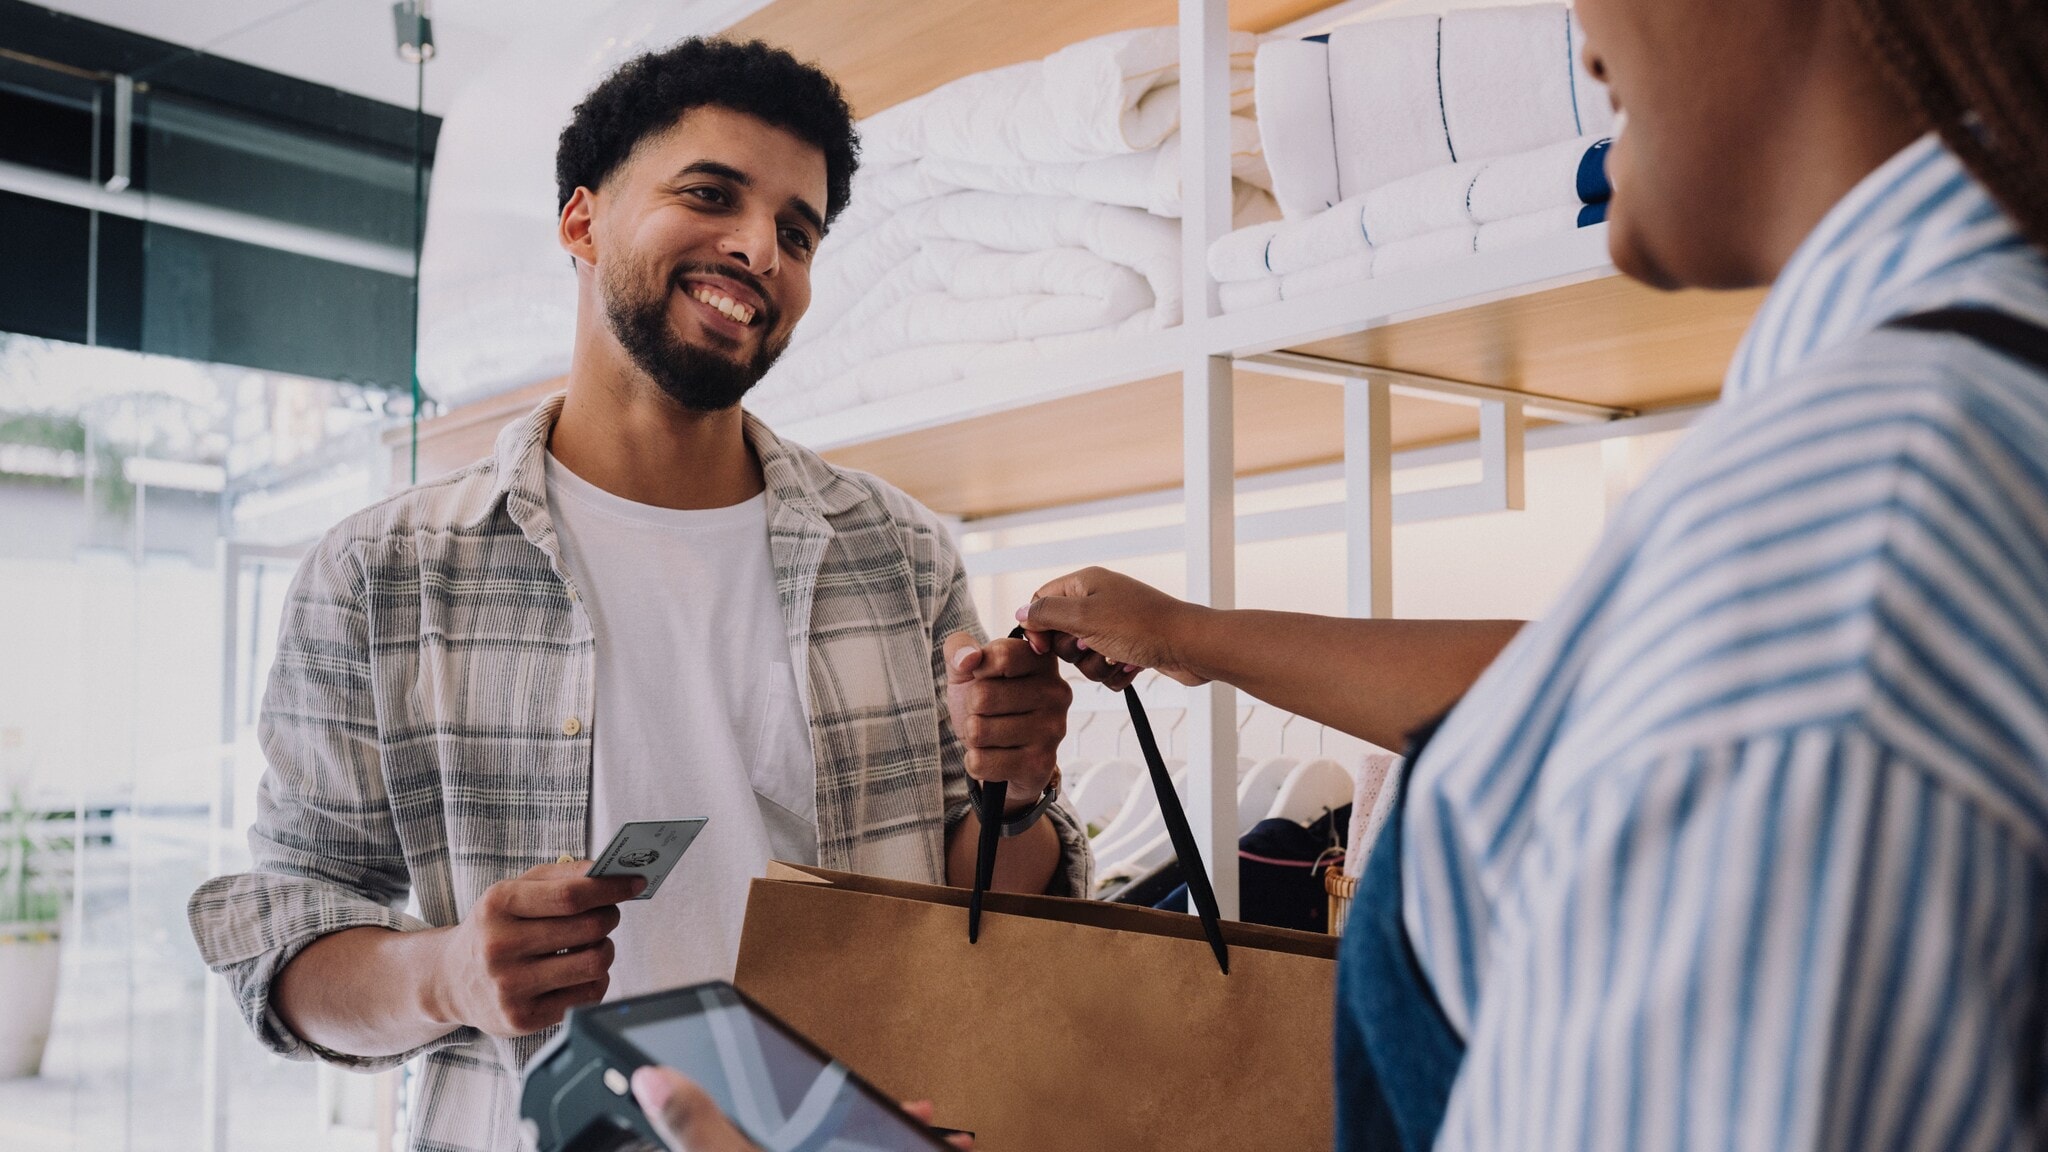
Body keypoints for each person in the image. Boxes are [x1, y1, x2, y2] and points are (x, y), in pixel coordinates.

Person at [1011, 0, 2047, 1150]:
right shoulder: (1952, 441)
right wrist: (1185, 634)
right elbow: (1589, 700)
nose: (1580, 38)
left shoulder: (1825, 537)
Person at [187, 39, 1086, 1152]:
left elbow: (977, 908)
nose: (759, 248)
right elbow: (283, 947)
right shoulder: (386, 573)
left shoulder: (900, 554)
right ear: (582, 221)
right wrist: (449, 974)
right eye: (710, 194)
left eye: (797, 233)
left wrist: (1018, 793)